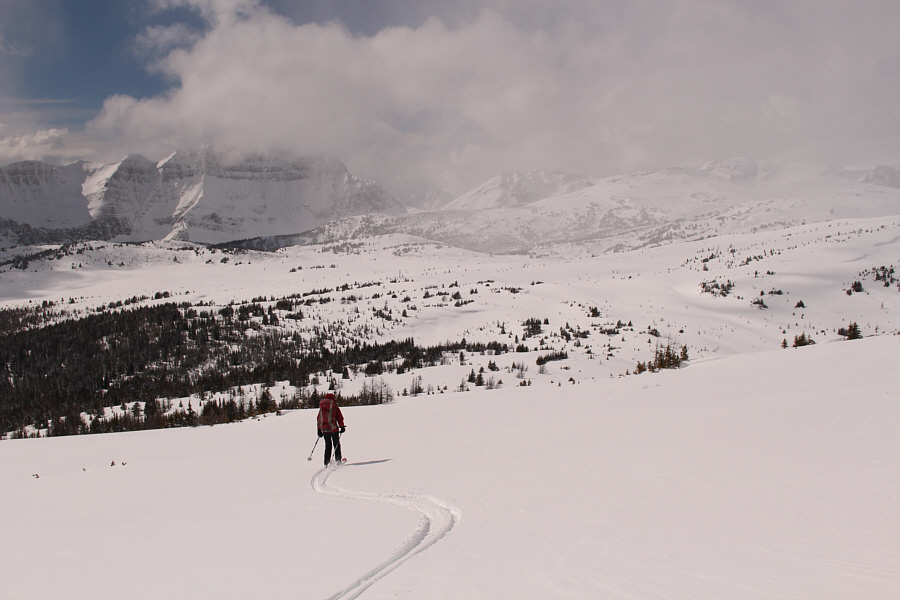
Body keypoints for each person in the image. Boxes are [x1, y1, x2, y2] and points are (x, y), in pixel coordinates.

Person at [317, 393, 345, 466]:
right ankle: (338, 460)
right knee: (336, 444)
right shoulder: (334, 407)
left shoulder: (322, 408)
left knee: (328, 446)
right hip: (334, 429)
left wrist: (319, 429)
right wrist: (342, 427)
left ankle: (326, 462)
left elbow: (319, 418)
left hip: (325, 429)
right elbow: (340, 418)